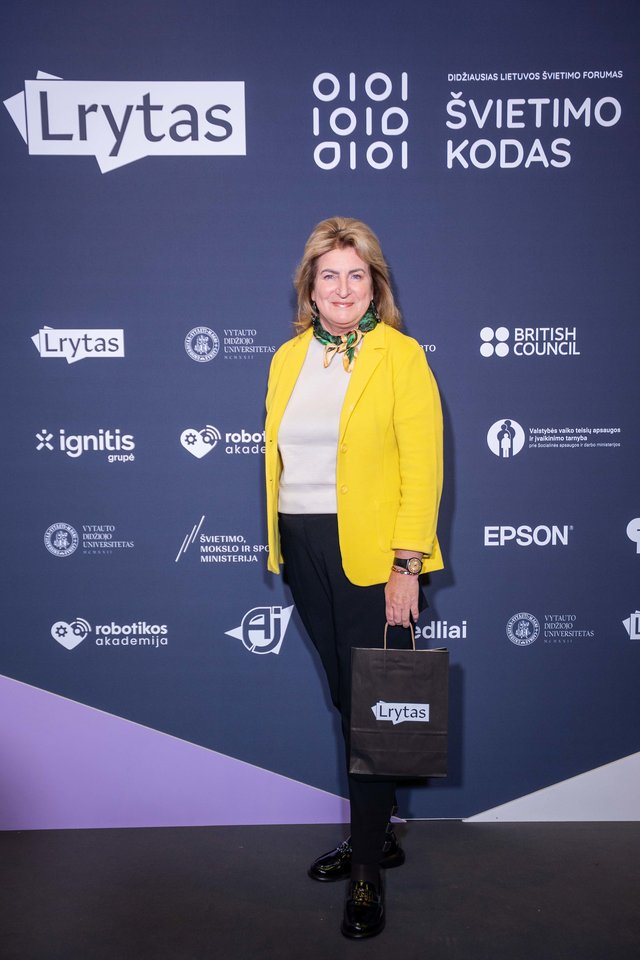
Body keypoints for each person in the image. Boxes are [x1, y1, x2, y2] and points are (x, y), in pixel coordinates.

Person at [265, 217, 443, 939]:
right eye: (329, 275)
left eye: (356, 275)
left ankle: (367, 869)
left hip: (372, 552)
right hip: (302, 544)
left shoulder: (400, 356)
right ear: (309, 288)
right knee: (348, 697)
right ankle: (381, 829)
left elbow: (422, 466)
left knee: (372, 709)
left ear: (376, 286)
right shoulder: (287, 358)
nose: (342, 288)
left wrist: (407, 564)